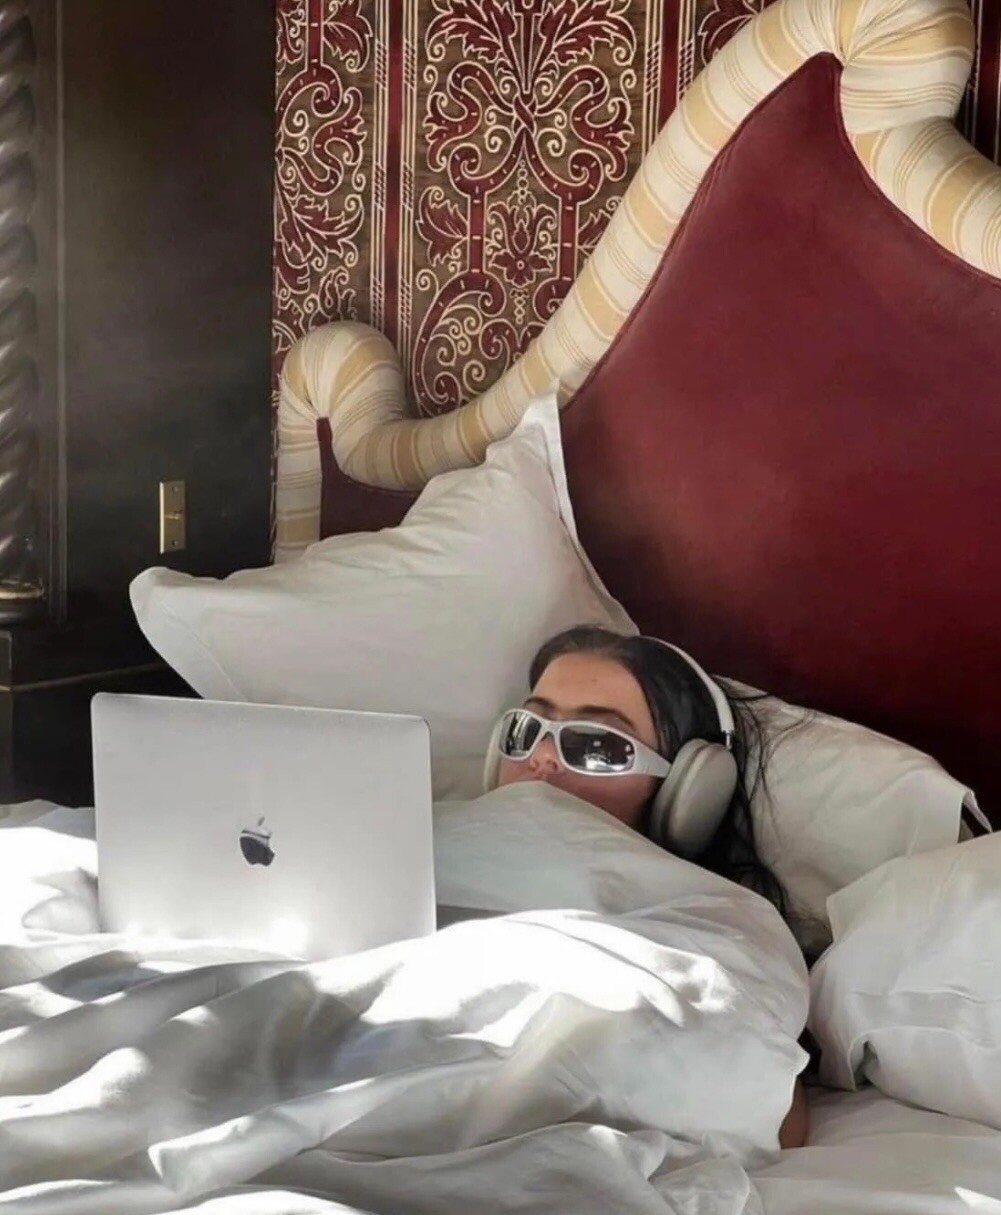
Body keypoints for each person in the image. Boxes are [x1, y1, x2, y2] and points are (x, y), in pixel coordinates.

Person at [490, 624, 809, 1149]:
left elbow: (771, 1107)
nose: (540, 758)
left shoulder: (714, 922)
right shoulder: (413, 837)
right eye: (525, 730)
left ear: (688, 789)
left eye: (596, 745)